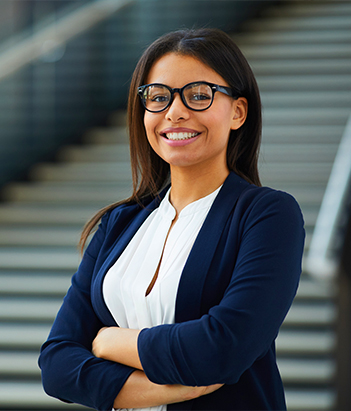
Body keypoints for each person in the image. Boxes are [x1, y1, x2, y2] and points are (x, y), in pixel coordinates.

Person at [39, 28, 305, 411]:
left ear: (238, 112)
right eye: (159, 97)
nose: (175, 112)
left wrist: (110, 342)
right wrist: (174, 388)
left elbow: (222, 348)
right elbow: (57, 365)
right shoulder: (119, 223)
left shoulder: (267, 215)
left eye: (199, 95)